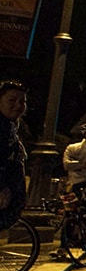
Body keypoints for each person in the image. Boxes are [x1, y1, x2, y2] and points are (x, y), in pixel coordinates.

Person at [0, 81, 29, 232]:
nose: (18, 105)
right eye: (11, 100)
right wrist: (2, 186)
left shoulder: (11, 126)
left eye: (22, 101)